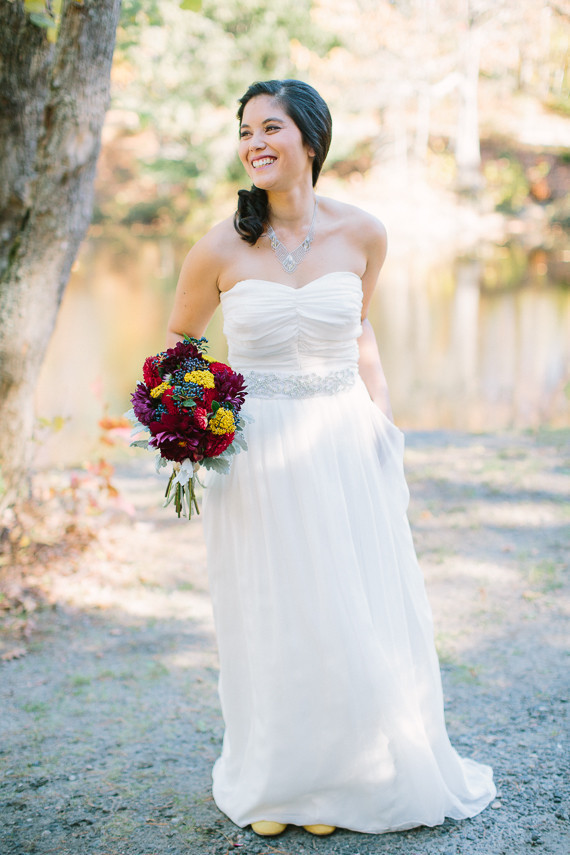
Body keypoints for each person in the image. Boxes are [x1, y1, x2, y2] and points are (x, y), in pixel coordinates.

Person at [166, 79, 496, 838]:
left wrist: (383, 426)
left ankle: (350, 777)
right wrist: (186, 422)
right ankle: (281, 781)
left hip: (343, 438)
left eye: (271, 127)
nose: (255, 141)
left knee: (349, 604)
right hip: (254, 453)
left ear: (310, 140)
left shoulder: (364, 233)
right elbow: (180, 347)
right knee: (272, 608)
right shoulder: (220, 244)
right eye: (245, 129)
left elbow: (360, 331)